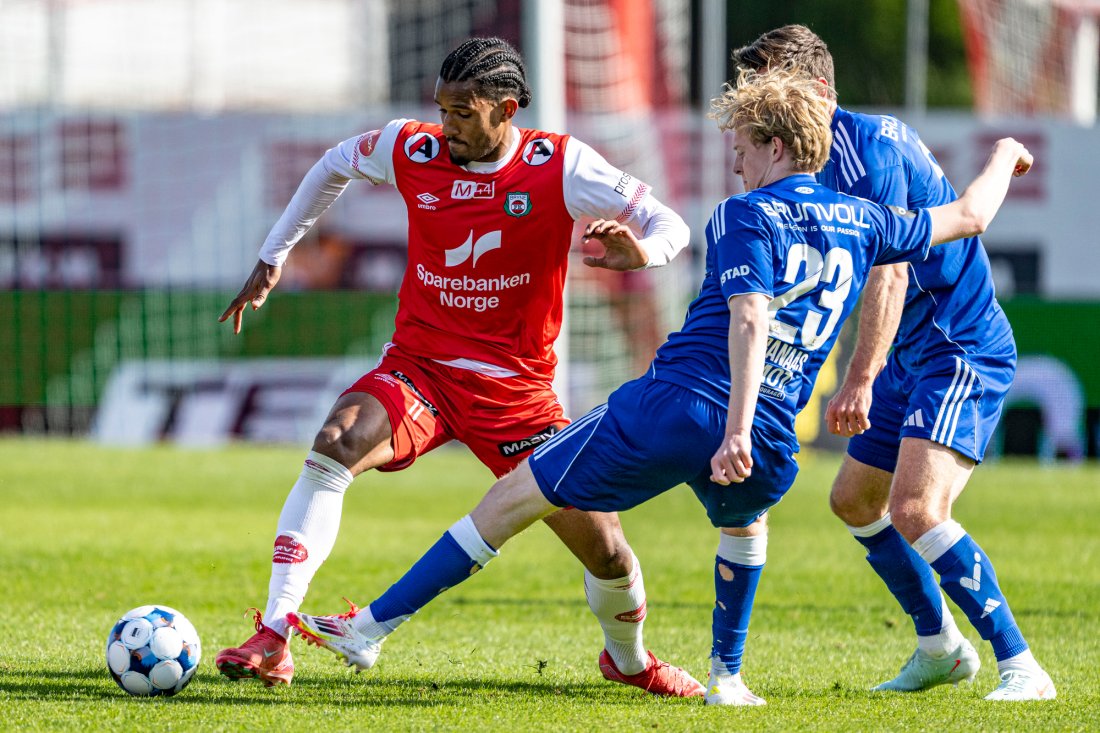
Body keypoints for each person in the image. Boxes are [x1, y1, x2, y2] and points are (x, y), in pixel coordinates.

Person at [284, 68, 1033, 706]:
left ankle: (368, 628)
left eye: (740, 147)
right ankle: (727, 676)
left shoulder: (747, 213)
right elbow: (969, 215)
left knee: (512, 495)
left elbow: (746, 317)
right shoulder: (867, 218)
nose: (735, 163)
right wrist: (1003, 154)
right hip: (777, 424)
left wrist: (729, 427)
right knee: (743, 526)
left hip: (682, 403)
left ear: (774, 146)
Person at [215, 36, 704, 697]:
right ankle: (275, 633)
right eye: (442, 109)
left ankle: (628, 657)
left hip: (518, 398)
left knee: (608, 552)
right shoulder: (410, 147)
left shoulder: (559, 164)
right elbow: (332, 164)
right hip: (421, 370)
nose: (446, 128)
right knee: (334, 445)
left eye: (463, 114)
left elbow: (668, 221)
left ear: (506, 109)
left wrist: (641, 253)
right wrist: (275, 255)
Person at [731, 24, 1055, 701]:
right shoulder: (795, 159)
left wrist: (859, 379)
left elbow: (892, 274)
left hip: (956, 342)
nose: (758, 109)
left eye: (770, 91)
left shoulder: (871, 148)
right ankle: (940, 644)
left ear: (817, 91)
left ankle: (1022, 664)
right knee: (853, 499)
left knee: (916, 506)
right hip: (910, 352)